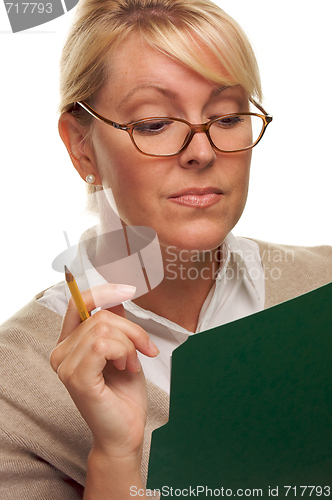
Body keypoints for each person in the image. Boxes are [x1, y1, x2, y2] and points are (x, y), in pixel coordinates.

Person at [0, 0, 331, 498]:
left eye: (226, 116)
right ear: (81, 144)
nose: (201, 151)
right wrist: (115, 457)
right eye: (154, 123)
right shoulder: (16, 388)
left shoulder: (322, 285)